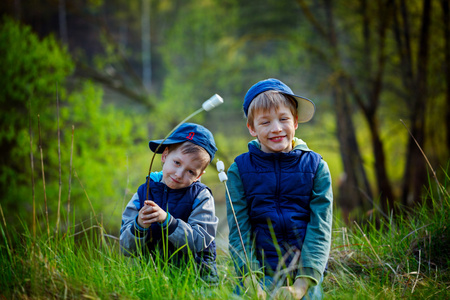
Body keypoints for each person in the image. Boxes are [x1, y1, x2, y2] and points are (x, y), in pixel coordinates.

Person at [226, 78, 333, 299]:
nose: (276, 129)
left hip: (304, 273)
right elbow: (239, 229)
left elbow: (320, 227)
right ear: (252, 128)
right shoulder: (239, 170)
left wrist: (302, 285)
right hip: (259, 273)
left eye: (283, 119)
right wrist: (250, 279)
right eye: (265, 122)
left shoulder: (316, 167)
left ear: (295, 122)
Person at [120, 123, 219, 284]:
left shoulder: (201, 196)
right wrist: (139, 225)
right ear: (165, 156)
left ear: (199, 175)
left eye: (190, 171)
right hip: (154, 280)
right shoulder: (144, 192)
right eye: (177, 163)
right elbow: (125, 247)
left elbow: (200, 240)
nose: (179, 174)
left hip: (196, 279)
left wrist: (169, 222)